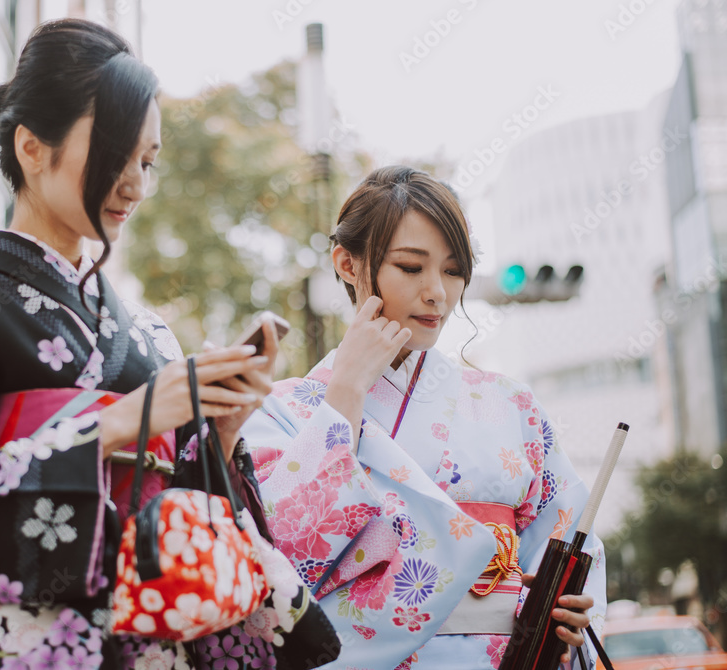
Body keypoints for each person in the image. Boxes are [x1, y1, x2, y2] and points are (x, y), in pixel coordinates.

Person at [0, 19, 283, 670]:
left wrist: (217, 436)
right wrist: (112, 426)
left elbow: (182, 518)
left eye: (147, 161)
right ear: (31, 147)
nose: (134, 183)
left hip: (135, 641)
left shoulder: (150, 333)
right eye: (115, 152)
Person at [240, 166, 607, 670]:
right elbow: (278, 560)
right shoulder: (281, 411)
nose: (438, 292)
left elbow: (564, 540)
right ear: (347, 264)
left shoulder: (511, 405)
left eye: (454, 270)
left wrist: (571, 614)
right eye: (412, 267)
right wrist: (345, 392)